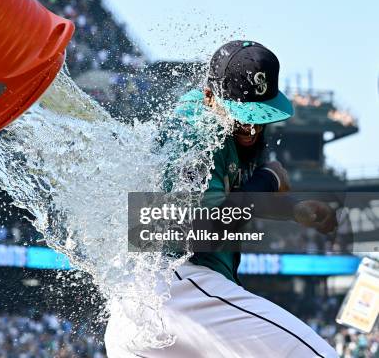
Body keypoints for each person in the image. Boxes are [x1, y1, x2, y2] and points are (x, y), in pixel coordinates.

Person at [105, 41, 338, 357]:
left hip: (154, 308)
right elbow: (208, 230)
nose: (253, 126)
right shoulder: (193, 132)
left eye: (260, 114)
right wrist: (268, 179)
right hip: (176, 289)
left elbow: (229, 197)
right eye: (243, 114)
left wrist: (292, 209)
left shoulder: (224, 125)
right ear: (210, 96)